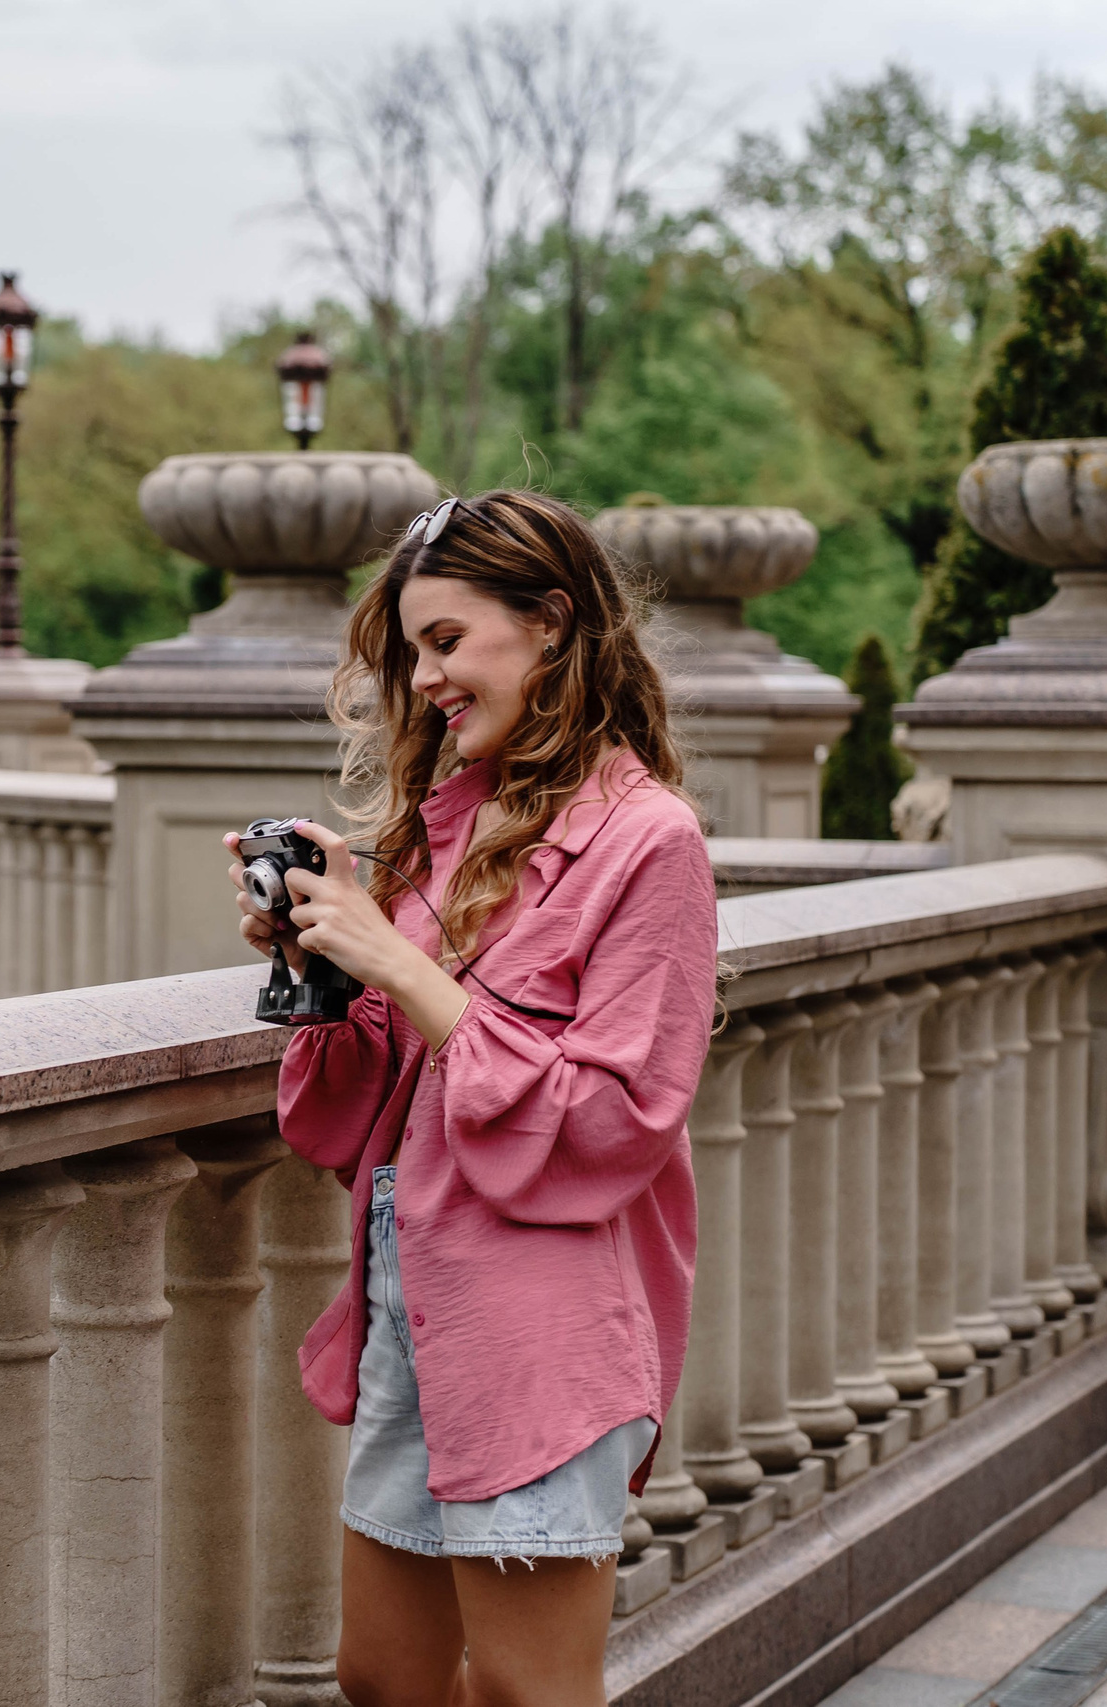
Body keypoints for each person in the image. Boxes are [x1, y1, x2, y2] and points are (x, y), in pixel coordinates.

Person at [223, 490, 717, 1707]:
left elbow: (613, 1124)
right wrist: (326, 967)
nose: (427, 676)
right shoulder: (443, 826)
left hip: (543, 1322)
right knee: (383, 1678)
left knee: (524, 1691)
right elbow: (342, 1127)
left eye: (446, 641)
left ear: (550, 624)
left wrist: (400, 963)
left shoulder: (649, 842)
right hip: (415, 1298)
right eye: (412, 651)